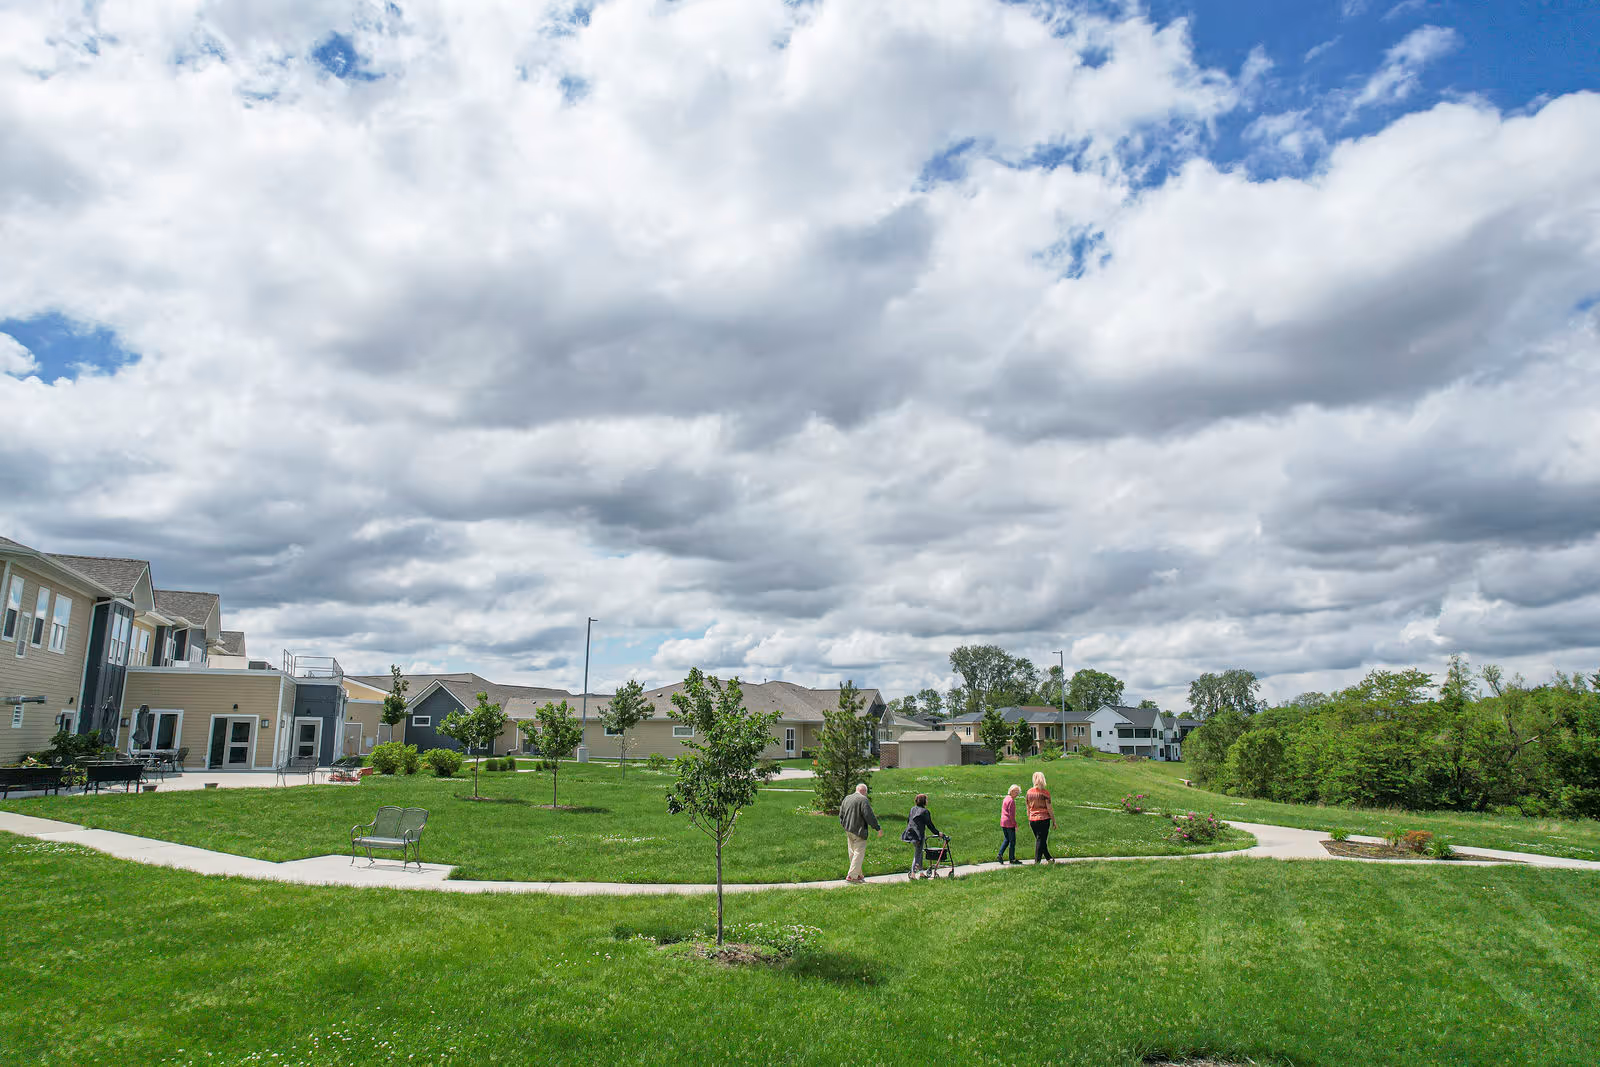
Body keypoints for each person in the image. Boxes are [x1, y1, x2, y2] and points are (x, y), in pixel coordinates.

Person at [838, 782, 881, 883]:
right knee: (859, 853)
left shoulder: (847, 798)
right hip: (859, 830)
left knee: (852, 853)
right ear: (864, 791)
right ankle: (852, 876)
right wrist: (877, 828)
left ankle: (858, 875)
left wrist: (844, 825)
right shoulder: (863, 799)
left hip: (848, 829)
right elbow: (869, 815)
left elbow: (841, 814)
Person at [902, 793, 942, 877]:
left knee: (919, 853)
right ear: (923, 801)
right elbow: (929, 825)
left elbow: (908, 820)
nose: (927, 801)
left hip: (910, 833)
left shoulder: (912, 809)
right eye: (926, 800)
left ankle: (921, 873)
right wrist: (938, 833)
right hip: (919, 835)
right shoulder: (925, 812)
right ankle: (913, 873)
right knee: (918, 854)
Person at [1026, 771, 1054, 864]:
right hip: (1044, 818)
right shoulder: (1045, 793)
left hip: (1033, 819)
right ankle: (1037, 861)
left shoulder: (1029, 792)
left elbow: (1028, 807)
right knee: (1041, 840)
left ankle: (1049, 858)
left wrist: (1029, 819)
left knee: (1040, 840)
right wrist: (1054, 821)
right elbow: (1049, 808)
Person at [997, 784, 1021, 864]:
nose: (1017, 794)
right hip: (1009, 823)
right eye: (1016, 792)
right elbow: (1011, 815)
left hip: (1003, 822)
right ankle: (1012, 859)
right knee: (1012, 841)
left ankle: (1000, 854)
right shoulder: (1011, 801)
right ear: (1011, 791)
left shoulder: (1006, 798)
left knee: (1007, 839)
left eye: (1018, 792)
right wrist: (1015, 824)